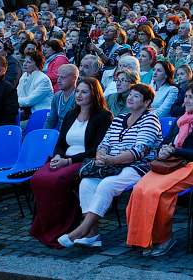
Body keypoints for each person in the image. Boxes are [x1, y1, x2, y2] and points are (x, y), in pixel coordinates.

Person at [126, 79, 193, 256]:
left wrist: (175, 150)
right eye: (186, 96)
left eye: (191, 97)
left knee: (159, 192)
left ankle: (163, 239)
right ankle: (142, 238)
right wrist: (163, 150)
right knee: (140, 189)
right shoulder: (180, 120)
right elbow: (165, 142)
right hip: (171, 165)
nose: (186, 101)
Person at [58, 83, 161, 248]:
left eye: (136, 96)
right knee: (86, 183)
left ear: (147, 101)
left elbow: (140, 151)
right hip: (111, 165)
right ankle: (93, 235)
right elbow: (104, 143)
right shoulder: (120, 117)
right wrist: (101, 156)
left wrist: (111, 160)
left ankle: (81, 229)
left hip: (138, 167)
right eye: (130, 95)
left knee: (107, 184)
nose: (130, 98)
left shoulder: (150, 119)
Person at [30, 78, 113, 248]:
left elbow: (96, 148)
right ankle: (48, 225)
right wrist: (58, 157)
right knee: (37, 178)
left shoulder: (104, 116)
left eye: (84, 91)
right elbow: (60, 143)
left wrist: (68, 161)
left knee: (55, 181)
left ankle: (68, 224)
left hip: (84, 160)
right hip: (64, 159)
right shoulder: (70, 114)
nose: (79, 95)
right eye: (77, 91)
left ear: (94, 94)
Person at [16, 50, 53, 126]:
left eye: (29, 62)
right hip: (25, 113)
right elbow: (17, 95)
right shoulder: (24, 76)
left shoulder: (43, 79)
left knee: (14, 127)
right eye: (24, 61)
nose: (24, 64)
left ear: (37, 65)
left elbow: (29, 101)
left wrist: (14, 102)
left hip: (40, 116)